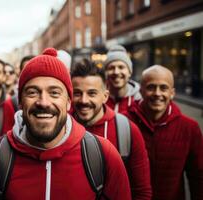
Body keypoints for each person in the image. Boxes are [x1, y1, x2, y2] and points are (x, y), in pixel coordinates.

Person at [0, 48, 131, 200]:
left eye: (54, 93)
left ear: (68, 102)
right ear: (20, 102)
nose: (43, 102)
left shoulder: (103, 154)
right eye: (32, 92)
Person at [71, 59, 151, 200]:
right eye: (77, 93)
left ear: (105, 96)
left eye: (92, 93)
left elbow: (142, 191)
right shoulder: (63, 128)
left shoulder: (127, 130)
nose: (83, 100)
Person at [126, 65, 203, 200]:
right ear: (141, 91)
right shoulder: (124, 122)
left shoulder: (190, 128)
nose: (157, 93)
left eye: (163, 88)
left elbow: (198, 177)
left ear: (172, 93)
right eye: (151, 87)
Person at [103, 45, 141, 113]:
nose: (116, 72)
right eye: (111, 68)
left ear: (129, 72)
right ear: (105, 73)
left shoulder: (139, 100)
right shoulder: (99, 99)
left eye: (121, 67)